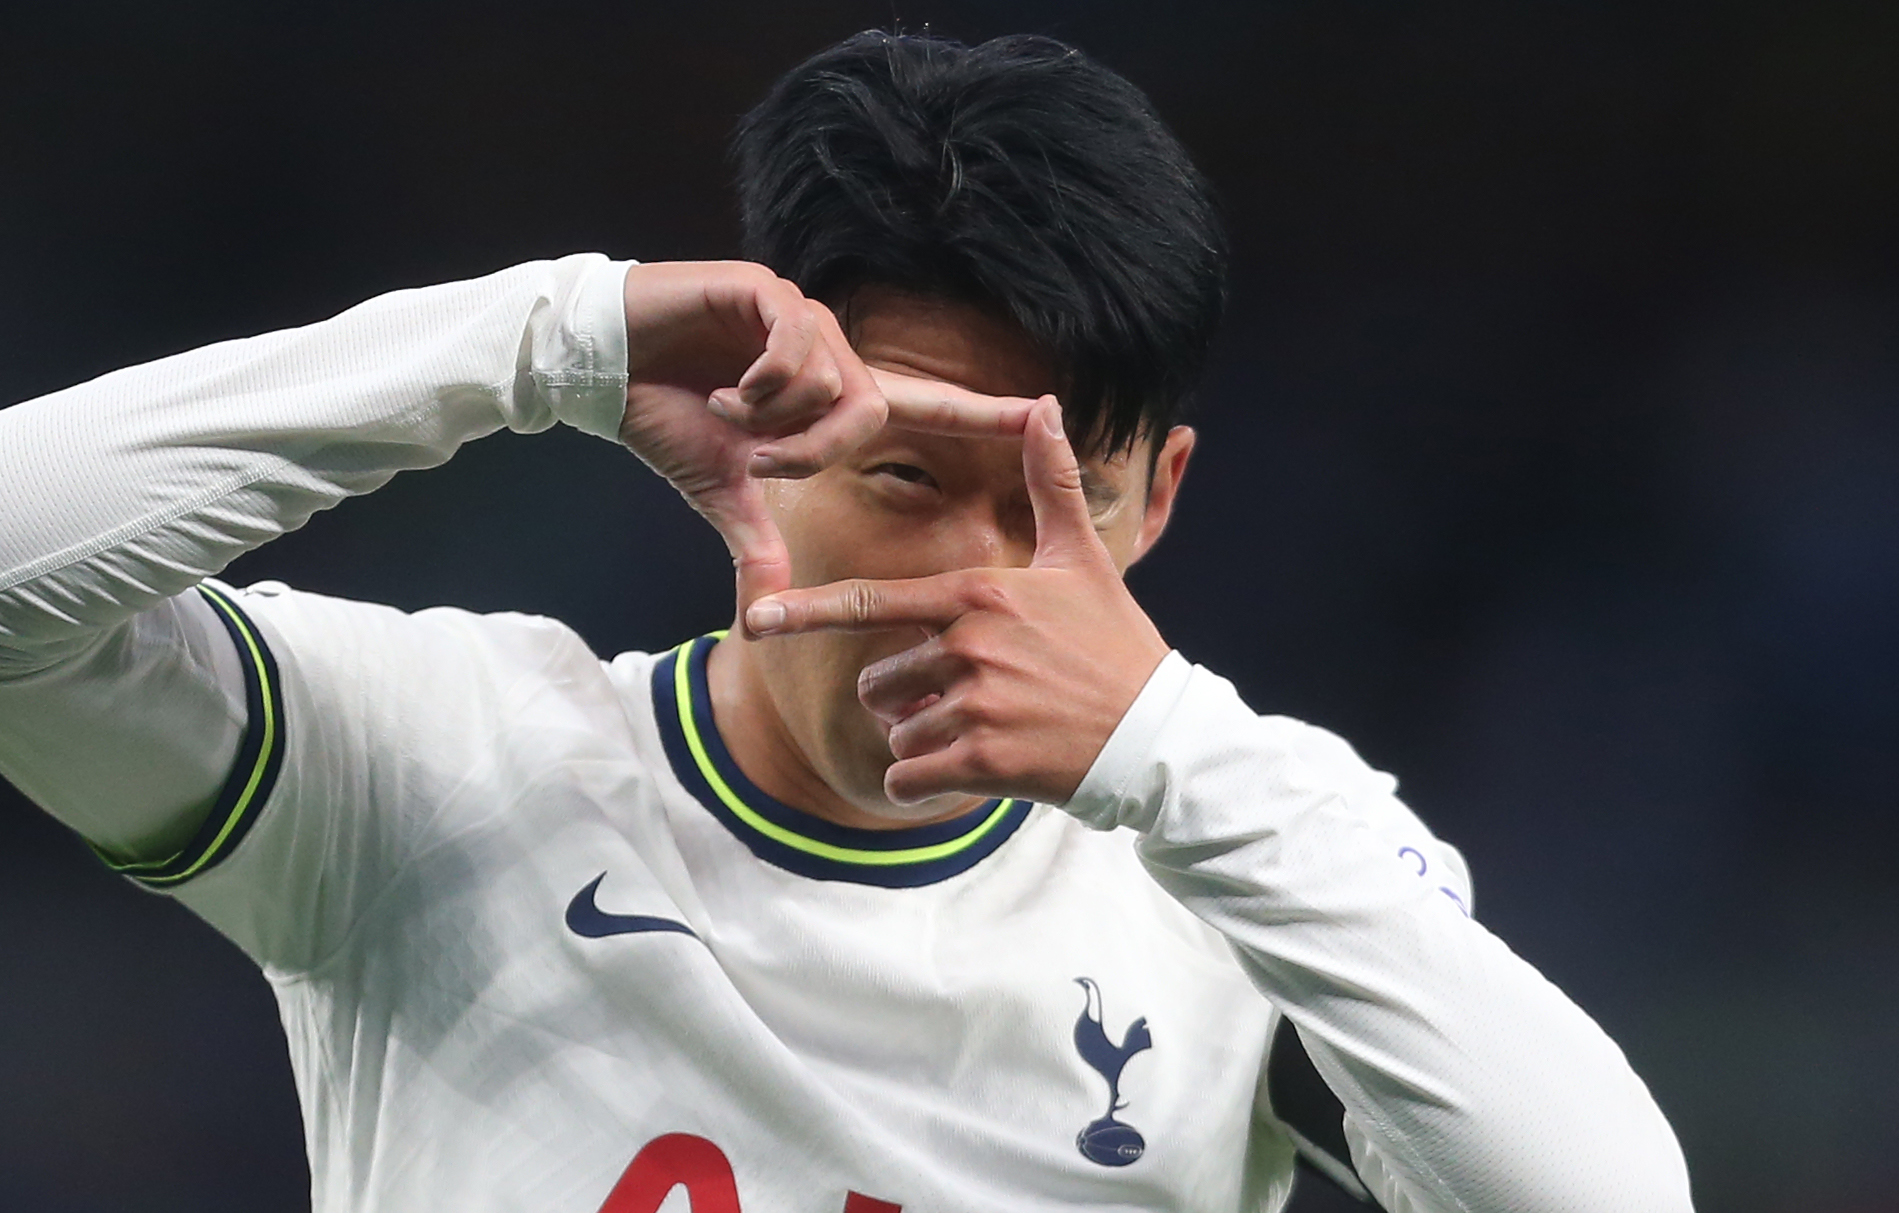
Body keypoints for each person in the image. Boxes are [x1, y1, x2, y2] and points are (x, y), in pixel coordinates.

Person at [0, 30, 1692, 1213]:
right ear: (760, 430)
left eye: (1048, 496)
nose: (973, 575)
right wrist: (541, 342)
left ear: (1158, 498)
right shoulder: (435, 762)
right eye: (903, 473)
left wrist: (1172, 752)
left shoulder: (1255, 846)